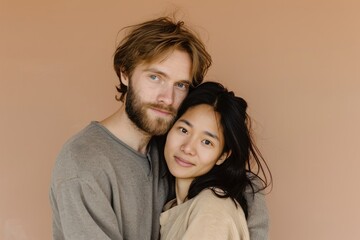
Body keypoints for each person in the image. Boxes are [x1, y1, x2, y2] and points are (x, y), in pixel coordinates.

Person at [49, 16, 268, 240]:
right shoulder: (83, 164)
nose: (167, 98)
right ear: (125, 73)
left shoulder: (171, 146)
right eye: (155, 77)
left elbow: (243, 186)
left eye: (180, 85)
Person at [159, 81, 272, 240]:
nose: (188, 148)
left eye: (206, 142)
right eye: (184, 130)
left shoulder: (211, 209)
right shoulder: (176, 204)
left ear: (222, 156)